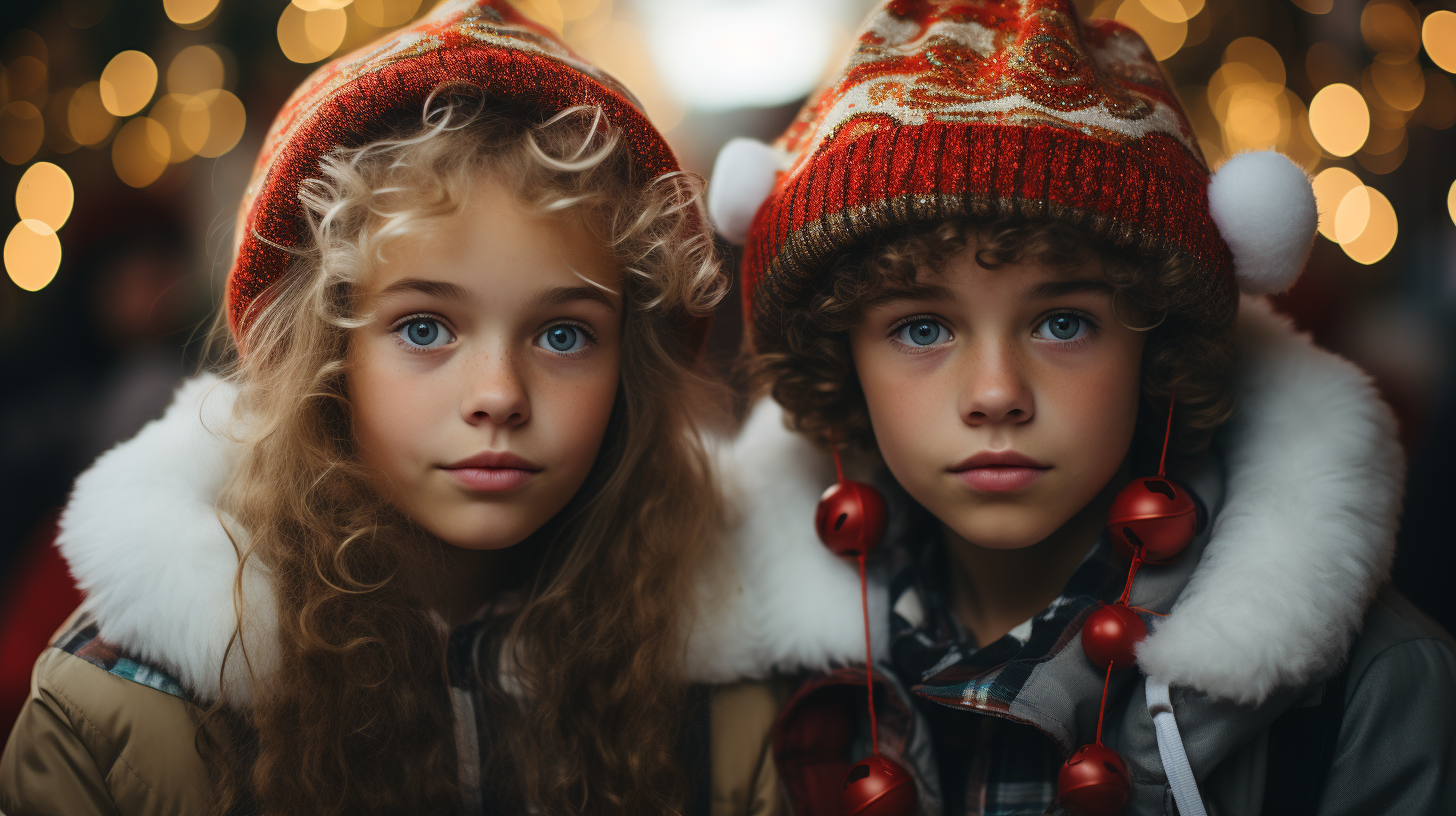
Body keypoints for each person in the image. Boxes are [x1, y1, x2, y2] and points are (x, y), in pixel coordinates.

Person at [0, 4, 783, 815]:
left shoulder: (722, 690)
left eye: (561, 334)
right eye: (423, 327)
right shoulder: (125, 708)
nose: (499, 397)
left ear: (630, 364)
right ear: (324, 356)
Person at [696, 1, 1456, 814]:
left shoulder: (1370, 693)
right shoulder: (740, 677)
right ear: (839, 359)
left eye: (1064, 323)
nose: (995, 394)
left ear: (1156, 345)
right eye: (922, 327)